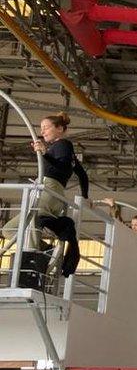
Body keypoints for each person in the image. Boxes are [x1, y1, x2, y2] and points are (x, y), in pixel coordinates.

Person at [1, 112, 87, 276]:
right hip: (53, 192)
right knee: (9, 230)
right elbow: (82, 174)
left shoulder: (62, 144)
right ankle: (47, 251)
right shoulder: (66, 150)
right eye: (41, 128)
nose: (43, 131)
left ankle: (32, 265)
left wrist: (45, 152)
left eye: (46, 127)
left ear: (60, 128)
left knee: (31, 221)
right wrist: (85, 197)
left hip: (49, 189)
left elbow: (61, 167)